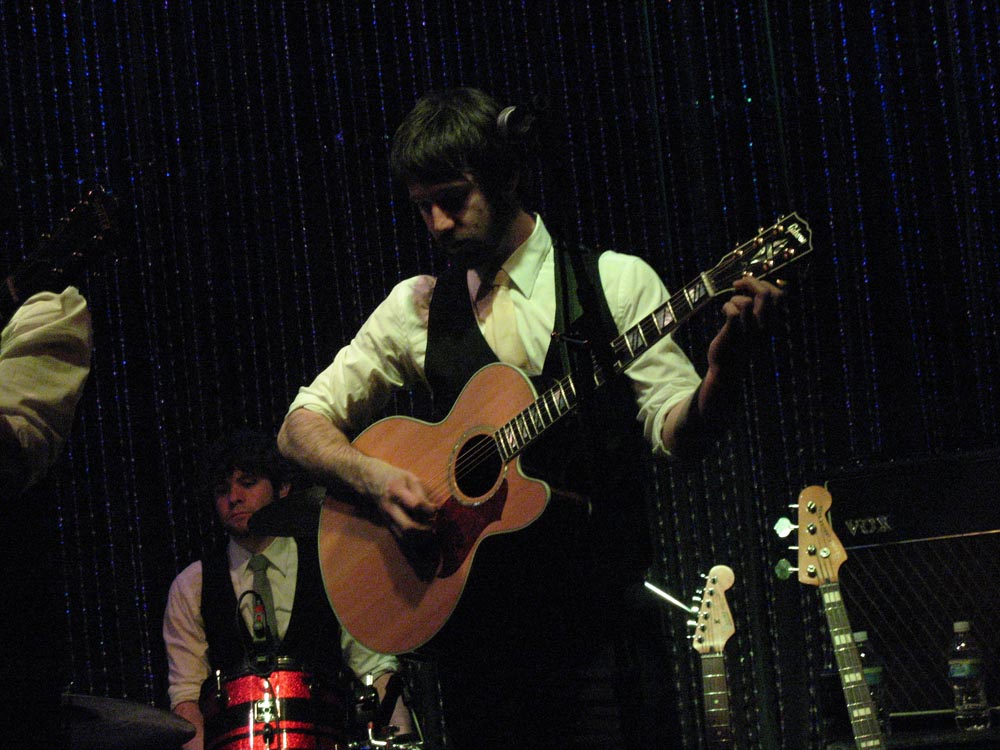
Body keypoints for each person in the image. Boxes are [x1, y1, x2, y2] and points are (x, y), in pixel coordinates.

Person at [278, 87, 785, 749]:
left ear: (508, 176)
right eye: (422, 207)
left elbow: (678, 435)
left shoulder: (613, 282)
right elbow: (300, 425)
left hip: (601, 640)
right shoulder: (416, 308)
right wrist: (375, 479)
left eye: (453, 199)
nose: (437, 224)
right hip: (477, 657)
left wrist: (724, 374)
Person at [163, 430, 411, 750]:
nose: (234, 497)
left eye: (248, 483)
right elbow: (186, 698)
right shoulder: (191, 585)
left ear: (282, 488)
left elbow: (375, 667)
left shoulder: (330, 563)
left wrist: (399, 738)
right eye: (222, 490)